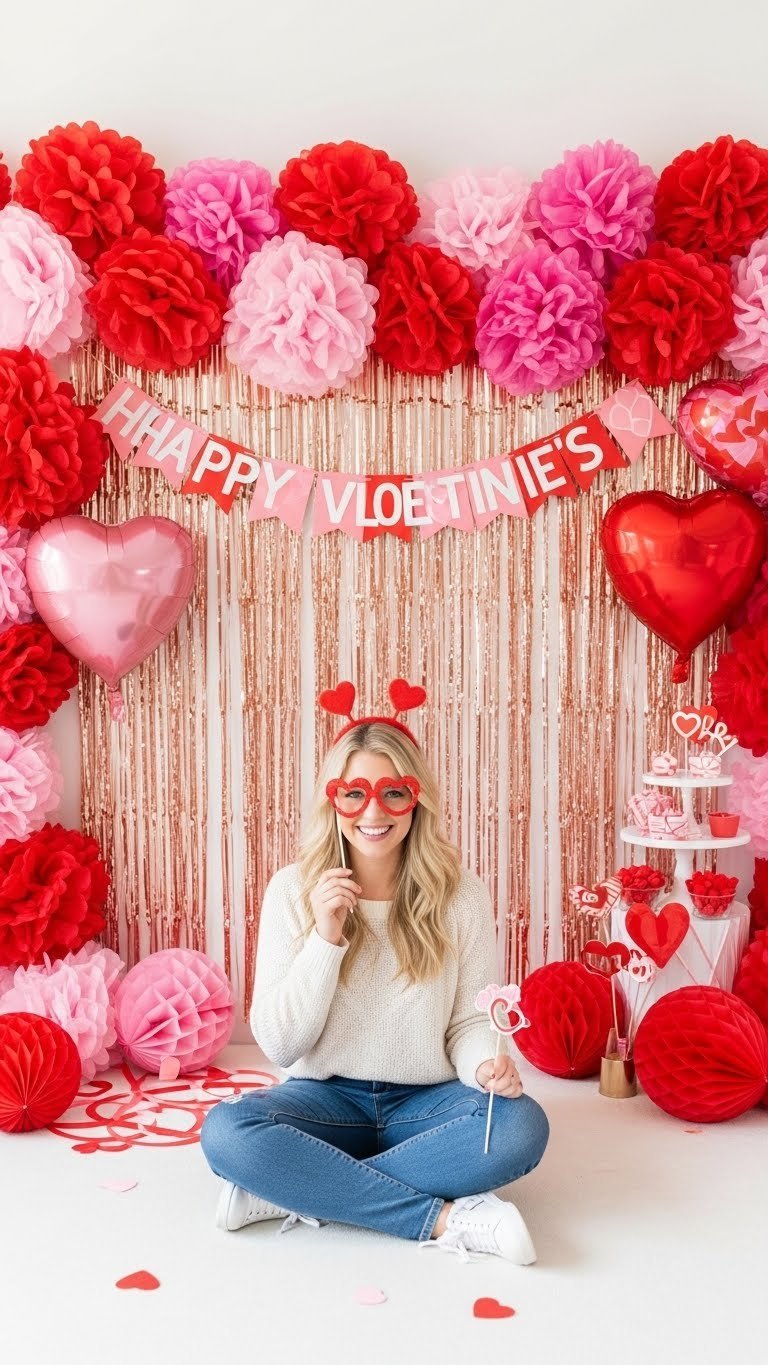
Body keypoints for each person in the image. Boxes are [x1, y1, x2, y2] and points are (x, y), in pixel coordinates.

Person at [200, 679, 549, 1264]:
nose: (373, 812)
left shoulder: (459, 894)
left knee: (520, 1126)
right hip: (326, 1103)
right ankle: (442, 1218)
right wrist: (325, 937)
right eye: (354, 793)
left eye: (393, 793)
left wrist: (483, 1065)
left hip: (428, 1104)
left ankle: (293, 1188)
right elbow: (282, 1046)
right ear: (331, 799)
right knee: (226, 1133)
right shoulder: (293, 891)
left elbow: (468, 1021)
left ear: (417, 798)